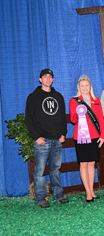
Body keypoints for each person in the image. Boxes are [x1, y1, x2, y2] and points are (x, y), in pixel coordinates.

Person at [25, 69, 69, 208]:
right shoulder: (33, 97)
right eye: (45, 76)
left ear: (53, 79)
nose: (48, 79)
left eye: (50, 76)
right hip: (42, 140)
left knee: (55, 169)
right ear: (40, 79)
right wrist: (36, 137)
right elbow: (29, 119)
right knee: (40, 171)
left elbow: (63, 117)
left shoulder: (58, 96)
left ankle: (58, 195)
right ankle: (41, 198)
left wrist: (63, 133)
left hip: (57, 139)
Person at [69, 75, 104, 202]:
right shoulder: (74, 101)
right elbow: (73, 120)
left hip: (95, 136)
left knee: (92, 164)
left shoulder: (96, 100)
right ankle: (88, 192)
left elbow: (100, 119)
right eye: (82, 85)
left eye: (87, 85)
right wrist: (78, 115)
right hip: (81, 137)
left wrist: (102, 136)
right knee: (83, 164)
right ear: (79, 87)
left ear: (90, 86)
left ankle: (92, 190)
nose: (85, 88)